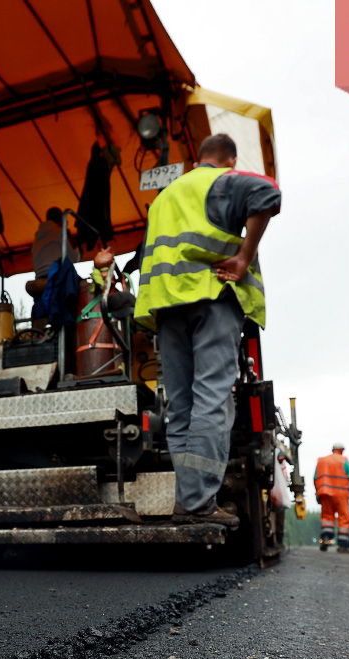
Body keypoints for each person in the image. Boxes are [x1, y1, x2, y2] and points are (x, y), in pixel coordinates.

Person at [133, 133, 281, 526]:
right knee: (212, 400)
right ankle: (199, 504)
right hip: (212, 295)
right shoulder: (220, 181)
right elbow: (267, 193)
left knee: (180, 407)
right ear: (229, 160)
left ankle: (189, 500)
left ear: (198, 158)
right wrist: (244, 258)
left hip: (166, 307)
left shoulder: (164, 198)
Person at [26, 207, 80, 300]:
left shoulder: (36, 240)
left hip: (39, 279)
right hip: (56, 278)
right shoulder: (59, 232)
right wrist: (75, 243)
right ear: (60, 218)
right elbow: (74, 258)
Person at [314, 442, 349, 553]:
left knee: (327, 517)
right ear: (342, 450)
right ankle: (343, 545)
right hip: (341, 494)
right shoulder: (345, 461)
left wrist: (317, 491)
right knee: (344, 518)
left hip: (325, 493)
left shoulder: (322, 461)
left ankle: (325, 539)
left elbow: (315, 478)